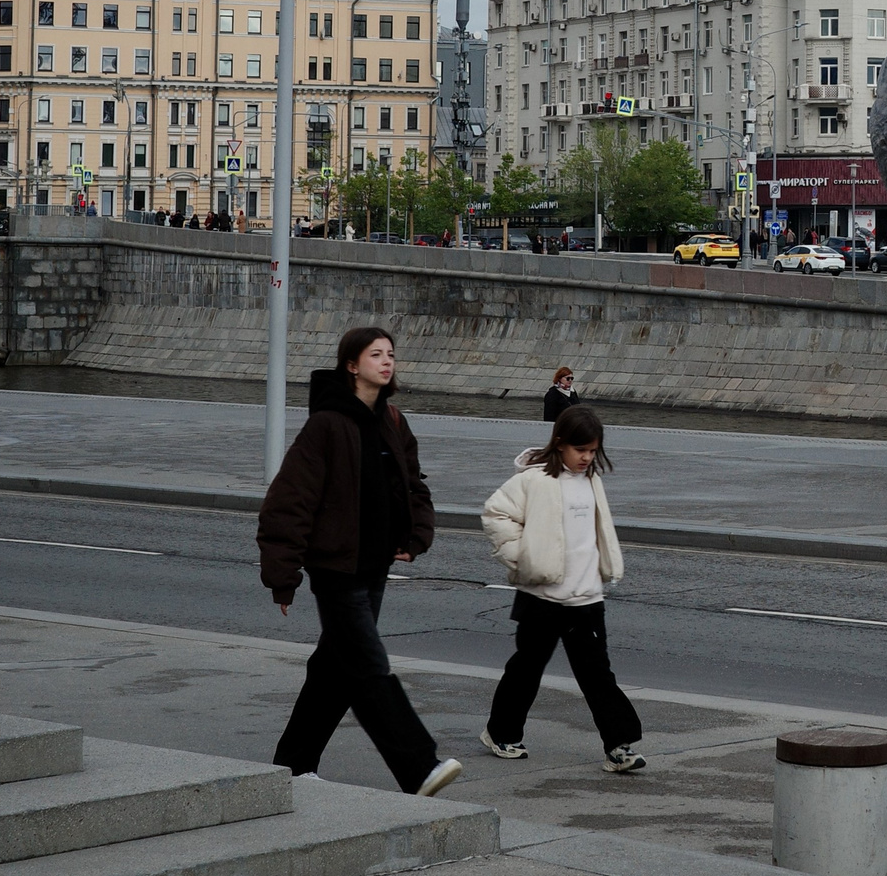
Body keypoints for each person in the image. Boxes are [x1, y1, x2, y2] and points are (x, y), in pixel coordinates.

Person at [257, 325, 464, 797]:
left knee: (334, 667)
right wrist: (282, 576)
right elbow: (289, 502)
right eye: (376, 355)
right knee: (369, 666)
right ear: (352, 365)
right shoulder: (327, 424)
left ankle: (292, 764)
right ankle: (418, 767)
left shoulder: (392, 419)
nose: (387, 362)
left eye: (391, 354)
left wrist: (415, 535)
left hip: (374, 567)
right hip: (336, 570)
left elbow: (413, 486)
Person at [478, 405, 646, 772]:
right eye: (580, 450)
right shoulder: (535, 479)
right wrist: (523, 558)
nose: (587, 458)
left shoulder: (591, 480)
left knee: (598, 675)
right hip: (542, 598)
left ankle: (619, 746)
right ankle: (501, 732)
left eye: (592, 451)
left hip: (587, 598)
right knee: (526, 670)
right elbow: (495, 514)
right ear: (560, 444)